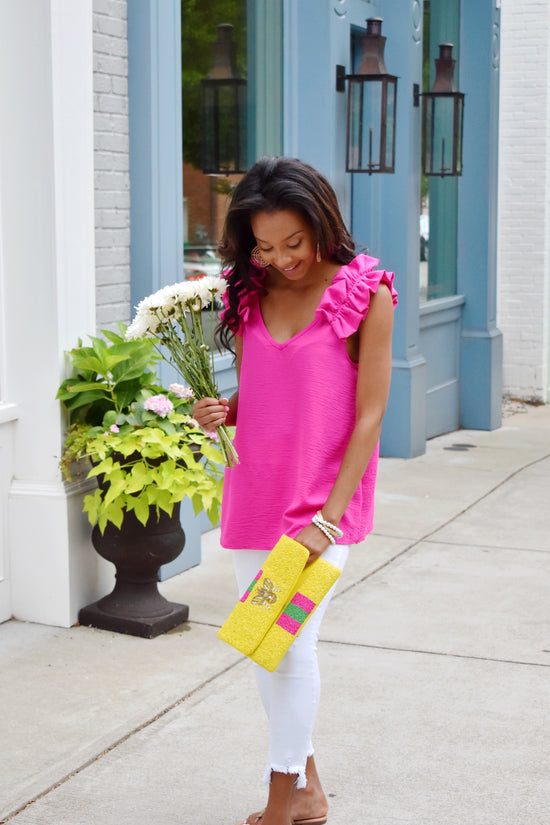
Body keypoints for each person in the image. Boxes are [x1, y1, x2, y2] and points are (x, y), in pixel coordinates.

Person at [193, 156, 397, 825]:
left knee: (291, 641)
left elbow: (368, 414)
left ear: (321, 225)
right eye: (264, 246)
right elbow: (263, 392)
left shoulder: (365, 293)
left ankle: (283, 797)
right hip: (255, 496)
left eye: (293, 244)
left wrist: (329, 522)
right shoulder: (252, 294)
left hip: (321, 509)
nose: (281, 259)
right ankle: (308, 787)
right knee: (263, 639)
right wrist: (225, 409)